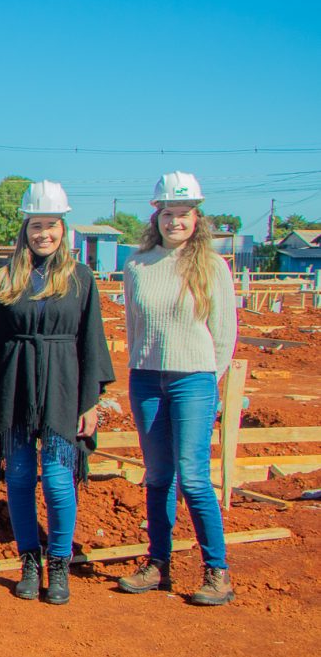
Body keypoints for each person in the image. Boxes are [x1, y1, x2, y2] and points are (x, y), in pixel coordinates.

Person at [0, 180, 114, 605]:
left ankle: (59, 562)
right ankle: (29, 561)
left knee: (59, 481)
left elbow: (91, 340)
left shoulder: (80, 277)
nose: (44, 234)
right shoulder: (7, 276)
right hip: (15, 385)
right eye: (36, 225)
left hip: (62, 385)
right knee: (20, 477)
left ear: (63, 228)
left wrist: (90, 401)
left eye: (52, 226)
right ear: (25, 229)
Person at [118, 171, 238, 606]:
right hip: (147, 378)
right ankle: (158, 563)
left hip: (194, 379)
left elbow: (224, 333)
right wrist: (141, 365)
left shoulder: (211, 266)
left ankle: (217, 570)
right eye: (169, 214)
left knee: (193, 476)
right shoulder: (137, 264)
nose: (176, 222)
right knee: (157, 476)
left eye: (184, 214)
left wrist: (209, 379)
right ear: (157, 215)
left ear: (196, 217)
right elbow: (133, 326)